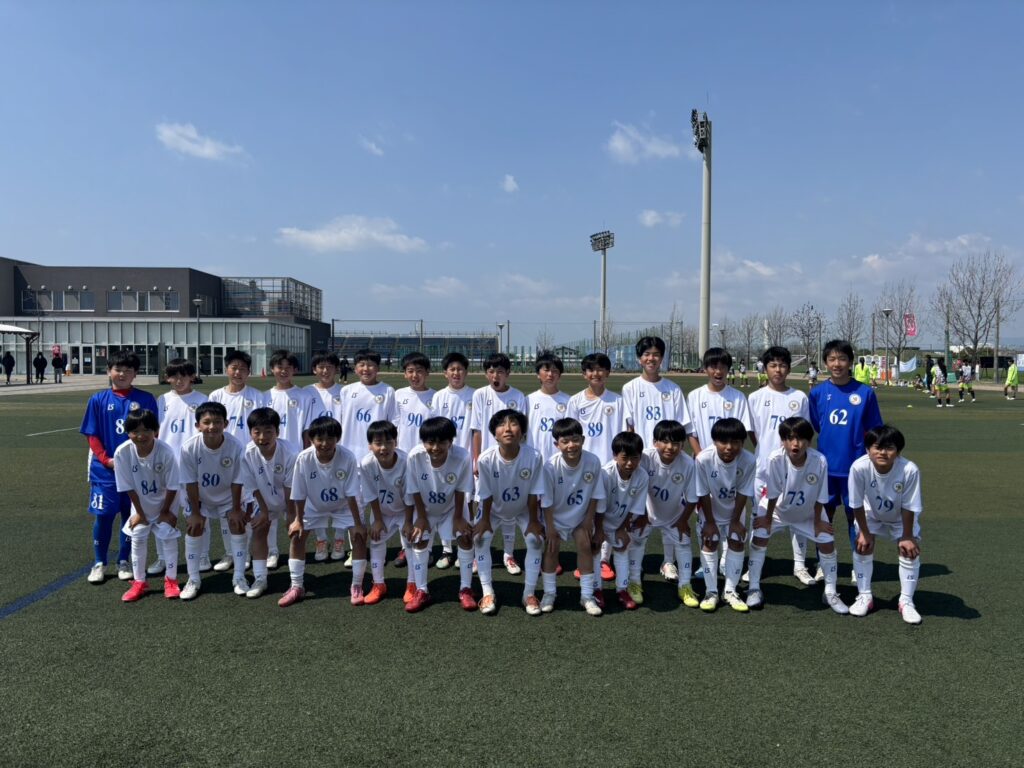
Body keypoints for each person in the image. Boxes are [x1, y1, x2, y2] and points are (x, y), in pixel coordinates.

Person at [746, 417, 848, 614]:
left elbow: (821, 495)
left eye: (801, 439)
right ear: (783, 441)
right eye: (790, 438)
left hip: (808, 513)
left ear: (809, 442)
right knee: (759, 537)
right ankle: (754, 588)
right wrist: (767, 518)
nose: (795, 444)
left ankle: (830, 592)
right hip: (776, 510)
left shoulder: (819, 460)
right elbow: (773, 492)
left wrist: (818, 521)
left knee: (827, 541)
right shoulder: (775, 459)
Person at [81, 350, 159, 584]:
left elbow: (154, 433)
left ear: (135, 374)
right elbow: (92, 434)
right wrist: (106, 460)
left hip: (137, 470)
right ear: (109, 371)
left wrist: (143, 459)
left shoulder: (146, 399)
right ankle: (99, 562)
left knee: (131, 514)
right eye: (118, 369)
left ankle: (123, 560)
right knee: (104, 516)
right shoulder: (98, 399)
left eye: (128, 370)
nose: (122, 374)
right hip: (105, 470)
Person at [621, 336, 692, 583]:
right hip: (643, 458)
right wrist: (632, 459)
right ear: (639, 358)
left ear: (662, 358)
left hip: (670, 455)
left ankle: (668, 562)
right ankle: (634, 564)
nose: (651, 358)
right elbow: (629, 427)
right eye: (646, 354)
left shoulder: (673, 389)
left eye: (656, 354)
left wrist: (685, 452)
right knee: (640, 510)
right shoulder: (630, 388)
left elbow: (684, 426)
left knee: (669, 507)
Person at [807, 339, 884, 564]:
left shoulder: (865, 393)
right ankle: (824, 564)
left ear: (850, 362)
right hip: (826, 467)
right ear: (825, 363)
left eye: (842, 359)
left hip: (856, 467)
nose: (837, 364)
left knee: (856, 518)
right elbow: (817, 425)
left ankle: (858, 566)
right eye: (832, 359)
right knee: (824, 517)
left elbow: (874, 430)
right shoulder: (817, 393)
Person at [280, 416, 366, 607]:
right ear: (311, 439)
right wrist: (298, 520)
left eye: (330, 438)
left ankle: (357, 585)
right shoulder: (304, 458)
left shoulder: (348, 457)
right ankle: (296, 586)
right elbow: (299, 492)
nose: (325, 444)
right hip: (313, 504)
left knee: (359, 535)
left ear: (338, 439)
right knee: (297, 535)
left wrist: (358, 524)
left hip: (343, 505)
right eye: (320, 439)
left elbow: (352, 493)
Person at [747, 346, 816, 586]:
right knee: (760, 517)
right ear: (765, 368)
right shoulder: (755, 397)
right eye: (773, 365)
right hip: (764, 470)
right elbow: (753, 433)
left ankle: (800, 565)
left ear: (788, 368)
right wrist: (766, 451)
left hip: (795, 469)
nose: (778, 370)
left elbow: (805, 432)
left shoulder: (799, 397)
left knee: (798, 517)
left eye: (783, 365)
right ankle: (755, 565)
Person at [848, 425, 924, 624]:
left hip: (900, 516)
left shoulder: (909, 469)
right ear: (868, 449)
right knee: (863, 546)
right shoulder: (859, 467)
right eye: (877, 447)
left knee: (909, 550)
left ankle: (906, 601)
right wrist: (864, 532)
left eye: (889, 448)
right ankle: (864, 596)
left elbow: (910, 506)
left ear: (898, 451)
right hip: (870, 514)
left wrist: (907, 536)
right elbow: (855, 503)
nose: (882, 452)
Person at [534, 417, 607, 616]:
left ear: (583, 440)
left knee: (585, 545)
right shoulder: (551, 466)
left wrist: (588, 521)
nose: (571, 445)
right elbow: (546, 501)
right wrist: (550, 528)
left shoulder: (593, 461)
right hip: (555, 518)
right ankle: (549, 593)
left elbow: (595, 495)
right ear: (556, 444)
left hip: (580, 518)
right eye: (565, 441)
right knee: (551, 548)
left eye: (575, 440)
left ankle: (587, 596)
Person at [474, 409, 544, 615]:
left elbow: (534, 492)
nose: (507, 429)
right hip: (493, 510)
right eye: (501, 425)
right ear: (494, 434)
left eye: (513, 424)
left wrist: (534, 520)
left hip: (523, 509)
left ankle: (529, 594)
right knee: (480, 539)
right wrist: (484, 520)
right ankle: (487, 592)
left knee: (535, 540)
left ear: (522, 431)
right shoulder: (486, 459)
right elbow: (485, 493)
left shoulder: (534, 456)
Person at [209, 350, 276, 566]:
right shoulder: (216, 396)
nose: (238, 372)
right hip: (223, 459)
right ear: (227, 369)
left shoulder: (258, 396)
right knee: (228, 506)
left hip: (251, 458)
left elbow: (263, 428)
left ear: (249, 372)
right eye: (234, 368)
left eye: (243, 369)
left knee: (258, 504)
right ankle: (234, 553)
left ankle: (270, 551)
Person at [403, 416, 475, 613]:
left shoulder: (462, 456)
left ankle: (466, 589)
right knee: (419, 539)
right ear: (423, 442)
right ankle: (422, 590)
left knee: (465, 537)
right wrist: (421, 517)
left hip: (452, 508)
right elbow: (413, 488)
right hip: (425, 509)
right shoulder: (415, 456)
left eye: (442, 442)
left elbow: (461, 489)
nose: (435, 447)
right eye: (430, 442)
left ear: (451, 441)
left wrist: (458, 517)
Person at [567, 351, 625, 581]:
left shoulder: (618, 401)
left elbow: (624, 433)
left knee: (606, 512)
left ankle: (603, 559)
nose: (596, 373)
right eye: (591, 370)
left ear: (608, 372)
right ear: (584, 374)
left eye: (601, 369)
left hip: (610, 466)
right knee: (585, 514)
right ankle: (585, 556)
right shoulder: (575, 401)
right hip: (585, 466)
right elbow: (570, 435)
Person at [113, 409, 182, 601]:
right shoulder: (122, 452)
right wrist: (140, 513)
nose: (141, 436)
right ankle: (139, 582)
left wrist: (166, 511)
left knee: (167, 535)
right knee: (138, 535)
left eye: (146, 430)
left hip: (166, 501)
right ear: (128, 433)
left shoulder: (166, 452)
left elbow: (172, 485)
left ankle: (171, 580)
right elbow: (127, 487)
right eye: (135, 431)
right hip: (140, 504)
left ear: (156, 431)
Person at [337, 348, 397, 566]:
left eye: (371, 364)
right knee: (355, 505)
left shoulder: (388, 391)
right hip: (351, 457)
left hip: (378, 457)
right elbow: (341, 422)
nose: (366, 369)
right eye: (362, 364)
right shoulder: (347, 391)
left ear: (378, 368)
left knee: (383, 503)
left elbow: (393, 424)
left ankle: (386, 547)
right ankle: (357, 548)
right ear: (355, 368)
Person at [179, 402, 245, 600]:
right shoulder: (189, 447)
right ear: (197, 425)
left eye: (217, 422)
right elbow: (190, 482)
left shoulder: (236, 446)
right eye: (206, 422)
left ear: (225, 423)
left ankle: (239, 577)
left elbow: (237, 481)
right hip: (200, 497)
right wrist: (195, 513)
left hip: (228, 496)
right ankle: (193, 579)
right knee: (194, 527)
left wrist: (235, 509)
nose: (212, 426)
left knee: (237, 523)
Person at [470, 352, 527, 574]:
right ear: (486, 374)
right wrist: (476, 460)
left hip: (510, 461)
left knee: (509, 507)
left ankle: (509, 555)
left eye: (500, 372)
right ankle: (478, 555)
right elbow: (476, 430)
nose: (496, 376)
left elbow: (521, 433)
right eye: (491, 371)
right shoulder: (479, 395)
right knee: (482, 505)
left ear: (508, 373)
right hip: (487, 461)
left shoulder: (518, 396)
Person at [149, 358, 206, 576]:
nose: (179, 380)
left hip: (192, 466)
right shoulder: (161, 400)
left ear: (192, 377)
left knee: (197, 513)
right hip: (166, 467)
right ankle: (162, 558)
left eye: (184, 376)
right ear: (168, 378)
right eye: (174, 376)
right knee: (163, 513)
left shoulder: (202, 399)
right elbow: (156, 432)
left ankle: (202, 555)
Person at [633, 420, 699, 607]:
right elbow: (636, 489)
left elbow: (692, 497)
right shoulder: (645, 458)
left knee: (684, 544)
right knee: (636, 541)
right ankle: (634, 582)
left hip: (674, 516)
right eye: (665, 442)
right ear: (655, 442)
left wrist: (683, 520)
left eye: (676, 443)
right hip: (647, 513)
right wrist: (642, 514)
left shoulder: (688, 463)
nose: (670, 447)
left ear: (682, 445)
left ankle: (685, 586)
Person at [234, 407, 298, 598]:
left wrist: (292, 515)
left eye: (268, 431)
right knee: (259, 529)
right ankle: (260, 578)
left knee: (296, 532)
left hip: (291, 497)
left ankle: (297, 580)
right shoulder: (246, 453)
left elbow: (291, 488)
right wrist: (263, 511)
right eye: (257, 432)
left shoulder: (290, 453)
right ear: (250, 433)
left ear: (277, 432)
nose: (262, 437)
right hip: (263, 497)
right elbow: (252, 486)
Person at [693, 417, 756, 613]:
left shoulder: (748, 460)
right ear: (714, 441)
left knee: (737, 540)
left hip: (734, 509)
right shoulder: (703, 459)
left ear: (742, 443)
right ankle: (711, 592)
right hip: (710, 508)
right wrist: (710, 522)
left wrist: (735, 521)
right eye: (723, 442)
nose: (729, 447)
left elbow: (744, 492)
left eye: (735, 442)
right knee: (710, 541)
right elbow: (702, 492)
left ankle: (730, 591)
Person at [264, 349, 320, 565]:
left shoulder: (304, 396)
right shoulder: (264, 397)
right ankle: (271, 551)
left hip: (295, 458)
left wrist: (306, 456)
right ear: (272, 369)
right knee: (270, 507)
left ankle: (295, 550)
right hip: (269, 458)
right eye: (280, 367)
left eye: (288, 367)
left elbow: (307, 431)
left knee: (294, 507)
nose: (284, 371)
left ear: (295, 370)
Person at [359, 420, 414, 606]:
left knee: (410, 542)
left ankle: (412, 584)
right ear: (370, 446)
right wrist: (377, 519)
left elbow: (410, 495)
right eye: (378, 443)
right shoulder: (366, 463)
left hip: (405, 511)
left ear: (396, 442)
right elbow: (370, 493)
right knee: (376, 540)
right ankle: (378, 584)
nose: (383, 448)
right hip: (382, 512)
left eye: (389, 442)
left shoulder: (406, 462)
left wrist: (408, 522)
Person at [429, 351, 475, 570]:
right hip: (445, 458)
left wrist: (474, 458)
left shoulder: (475, 395)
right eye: (452, 369)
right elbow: (434, 430)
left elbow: (476, 430)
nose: (456, 373)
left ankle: (467, 548)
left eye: (460, 369)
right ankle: (447, 550)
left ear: (466, 372)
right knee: (445, 503)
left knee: (467, 504)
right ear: (445, 373)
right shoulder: (439, 397)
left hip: (466, 460)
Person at [599, 432, 649, 610]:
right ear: (615, 455)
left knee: (622, 546)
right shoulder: (606, 474)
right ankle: (596, 590)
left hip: (618, 523)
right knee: (594, 550)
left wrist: (622, 528)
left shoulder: (642, 476)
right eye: (625, 458)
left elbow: (636, 507)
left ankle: (622, 589)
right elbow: (597, 505)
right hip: (598, 520)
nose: (629, 463)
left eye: (634, 458)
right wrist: (599, 530)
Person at [306, 351, 346, 561]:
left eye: (329, 366)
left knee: (340, 495)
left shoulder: (345, 392)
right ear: (314, 369)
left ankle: (339, 539)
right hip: (314, 452)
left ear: (336, 369)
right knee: (315, 496)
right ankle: (321, 539)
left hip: (338, 451)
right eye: (321, 367)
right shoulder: (306, 392)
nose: (325, 370)